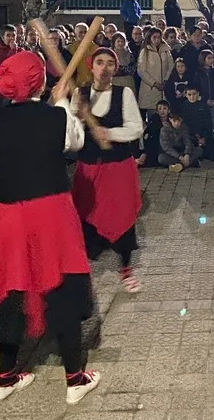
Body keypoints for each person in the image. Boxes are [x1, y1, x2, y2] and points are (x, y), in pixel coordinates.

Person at [0, 51, 101, 407]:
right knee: (62, 285)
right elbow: (74, 142)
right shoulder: (56, 115)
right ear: (40, 82)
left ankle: (5, 377)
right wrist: (62, 104)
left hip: (9, 214)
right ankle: (74, 378)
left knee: (11, 287)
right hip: (52, 211)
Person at [70, 48, 146, 293]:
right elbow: (70, 135)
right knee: (87, 214)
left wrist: (109, 133)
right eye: (100, 62)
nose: (104, 68)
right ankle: (85, 269)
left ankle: (126, 269)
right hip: (89, 167)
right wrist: (77, 120)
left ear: (116, 68)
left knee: (122, 216)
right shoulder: (79, 94)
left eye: (110, 63)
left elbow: (136, 128)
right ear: (91, 66)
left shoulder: (124, 94)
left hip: (118, 168)